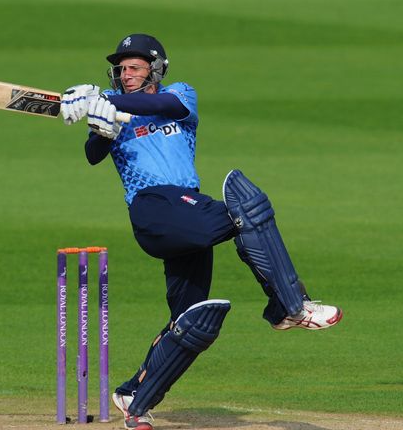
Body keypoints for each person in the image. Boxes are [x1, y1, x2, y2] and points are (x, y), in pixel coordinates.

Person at [61, 34, 342, 430]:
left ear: (155, 69)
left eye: (135, 67)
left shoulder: (180, 94)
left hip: (186, 211)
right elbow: (93, 155)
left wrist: (107, 102)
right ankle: (290, 307)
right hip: (153, 209)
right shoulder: (111, 111)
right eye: (121, 69)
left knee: (193, 322)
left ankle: (134, 398)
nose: (126, 75)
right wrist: (102, 127)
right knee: (247, 211)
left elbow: (165, 105)